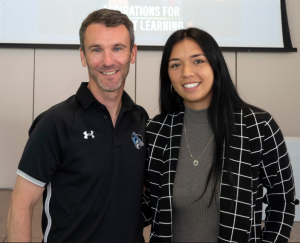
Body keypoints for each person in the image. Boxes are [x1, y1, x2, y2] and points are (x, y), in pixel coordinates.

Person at [143, 28, 298, 242]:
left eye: (198, 61)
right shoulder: (156, 130)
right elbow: (145, 204)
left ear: (216, 65)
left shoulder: (258, 126)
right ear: (167, 75)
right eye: (175, 64)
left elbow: (283, 200)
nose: (186, 72)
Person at [7, 9, 149, 242]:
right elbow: (21, 205)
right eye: (96, 50)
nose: (107, 61)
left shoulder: (141, 119)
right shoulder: (55, 122)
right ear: (83, 56)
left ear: (132, 53)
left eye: (117, 48)